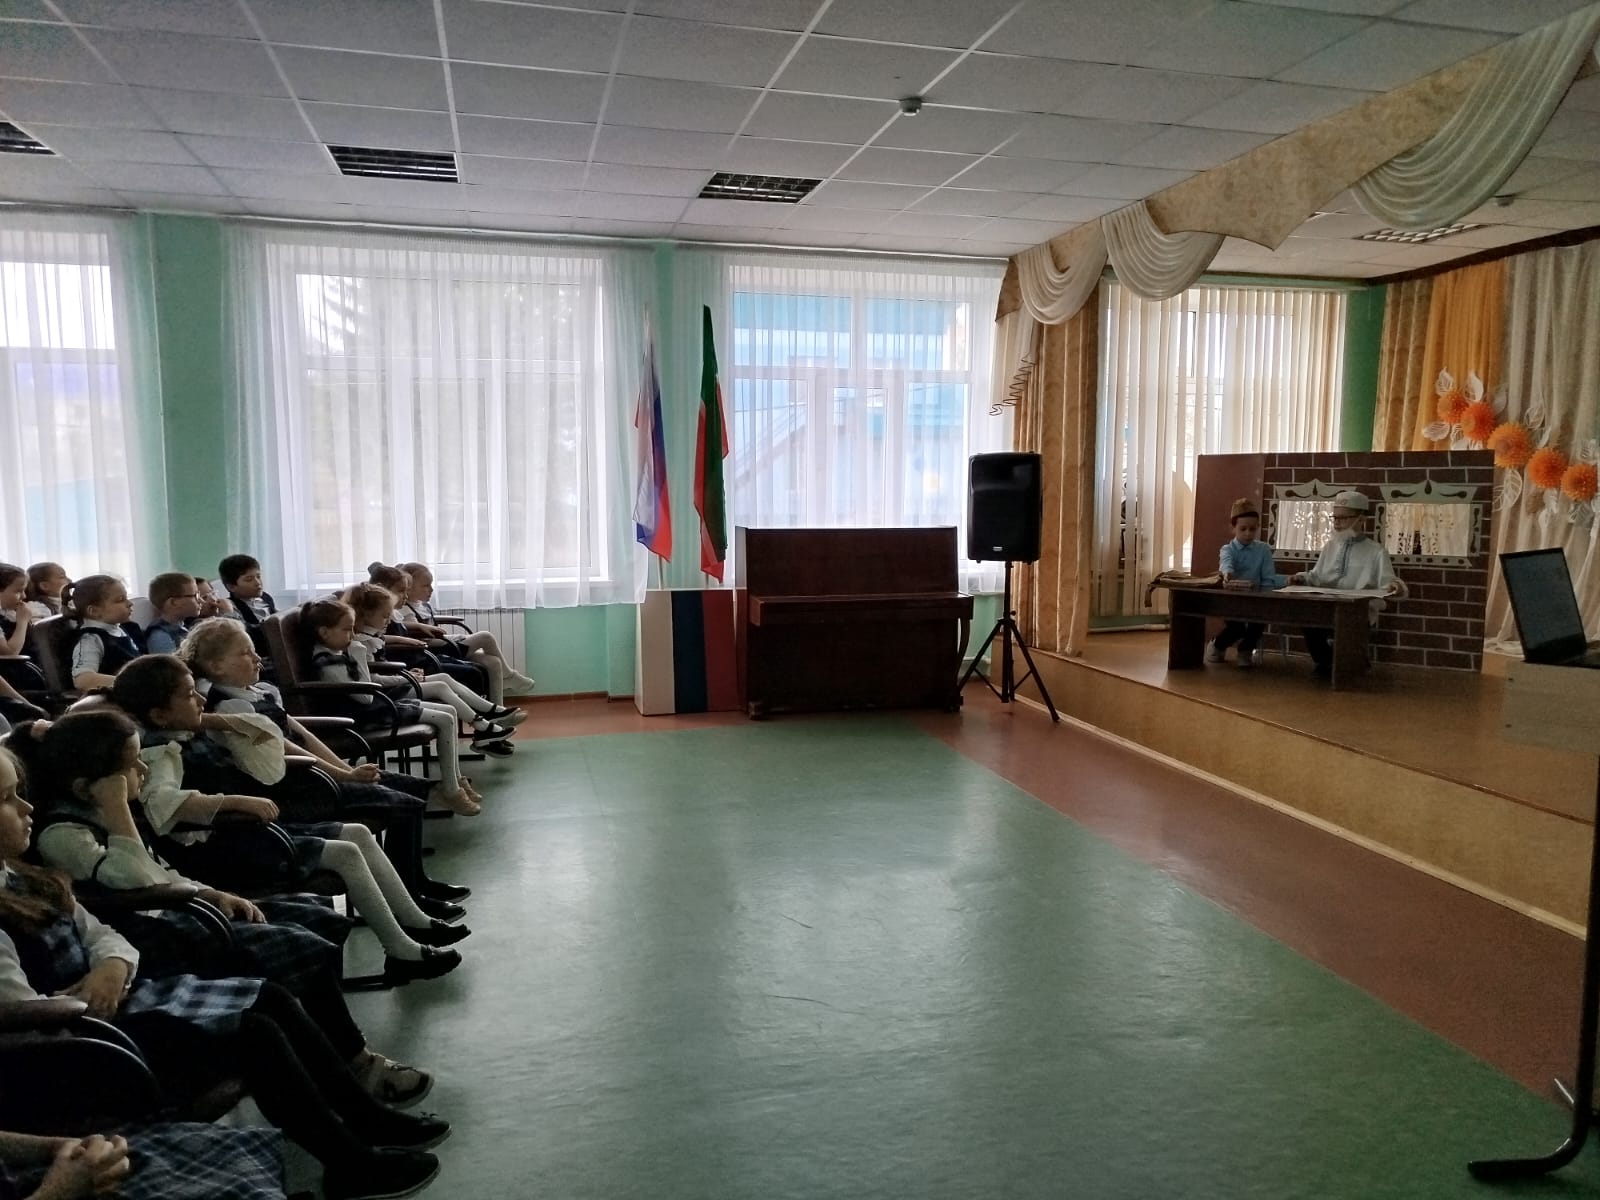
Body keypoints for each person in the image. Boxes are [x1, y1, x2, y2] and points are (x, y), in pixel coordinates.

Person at [0, 748, 447, 1200]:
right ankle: (350, 1159)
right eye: (7, 799)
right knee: (253, 1033)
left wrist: (113, 965)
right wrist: (93, 993)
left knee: (269, 999)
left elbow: (101, 934)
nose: (27, 806)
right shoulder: (50, 853)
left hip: (115, 1003)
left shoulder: (24, 878)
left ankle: (361, 1117)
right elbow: (31, 1023)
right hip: (82, 1049)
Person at [9, 712, 441, 1099]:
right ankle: (354, 1063)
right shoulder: (64, 834)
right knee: (299, 948)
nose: (143, 771)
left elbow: (164, 873)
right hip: (156, 932)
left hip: (182, 909)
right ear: (89, 787)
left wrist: (211, 894)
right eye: (131, 767)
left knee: (313, 920)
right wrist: (118, 808)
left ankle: (339, 1051)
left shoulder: (102, 811)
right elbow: (139, 880)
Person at [104, 662, 467, 978]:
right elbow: (163, 804)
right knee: (344, 852)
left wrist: (212, 719)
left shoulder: (186, 731)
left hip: (249, 834)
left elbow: (260, 730)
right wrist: (235, 801)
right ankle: (401, 950)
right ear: (159, 715)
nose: (201, 699)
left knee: (356, 832)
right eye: (189, 695)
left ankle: (413, 921)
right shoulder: (160, 752)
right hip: (222, 848)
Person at [176, 618, 472, 915]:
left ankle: (417, 883)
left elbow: (304, 736)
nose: (257, 658)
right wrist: (344, 775)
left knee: (412, 792)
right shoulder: (230, 707)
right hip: (297, 789)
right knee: (405, 804)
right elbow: (287, 749)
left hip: (319, 774)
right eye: (244, 653)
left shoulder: (258, 692)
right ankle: (409, 896)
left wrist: (345, 768)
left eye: (253, 650)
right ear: (215, 666)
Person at [306, 598, 483, 816]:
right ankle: (451, 790)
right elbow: (365, 697)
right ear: (324, 632)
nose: (352, 635)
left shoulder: (336, 652)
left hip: (374, 708)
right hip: (360, 717)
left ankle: (454, 782)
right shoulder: (326, 661)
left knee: (450, 711)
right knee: (445, 718)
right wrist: (359, 654)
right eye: (346, 630)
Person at [1289, 489, 1408, 678]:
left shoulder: (1376, 551)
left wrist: (1396, 586)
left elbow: (1388, 583)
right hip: (1328, 608)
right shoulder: (1330, 546)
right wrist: (1301, 578)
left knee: (1348, 625)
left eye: (1343, 518)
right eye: (1335, 518)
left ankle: (1344, 663)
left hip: (1357, 612)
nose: (1337, 523)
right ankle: (1327, 662)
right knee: (1308, 620)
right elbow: (1316, 577)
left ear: (1361, 519)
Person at [394, 562, 536, 702]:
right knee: (485, 637)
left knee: (493, 662)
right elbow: (415, 633)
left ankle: (498, 708)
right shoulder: (405, 610)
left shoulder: (423, 606)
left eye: (431, 585)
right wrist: (453, 637)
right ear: (409, 588)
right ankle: (510, 676)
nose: (431, 589)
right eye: (426, 586)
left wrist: (456, 637)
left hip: (444, 644)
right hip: (435, 651)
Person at [1208, 498, 1286, 669]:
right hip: (1232, 599)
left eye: (1252, 529)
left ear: (1257, 527)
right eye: (1243, 529)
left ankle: (1245, 651)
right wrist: (1227, 573)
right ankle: (1217, 645)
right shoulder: (1228, 549)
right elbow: (1226, 563)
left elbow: (1268, 577)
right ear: (1233, 528)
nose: (1248, 534)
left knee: (1258, 622)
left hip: (1256, 599)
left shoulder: (1263, 549)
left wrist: (1279, 587)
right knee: (1237, 628)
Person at [61, 577, 143, 692]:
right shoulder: (90, 639)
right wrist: (136, 683)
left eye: (127, 598)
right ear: (94, 611)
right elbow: (83, 680)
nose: (130, 603)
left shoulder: (121, 629)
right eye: (120, 600)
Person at [143, 573, 203, 655]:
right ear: (173, 602)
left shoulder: (183, 626)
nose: (201, 600)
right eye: (195, 595)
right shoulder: (160, 637)